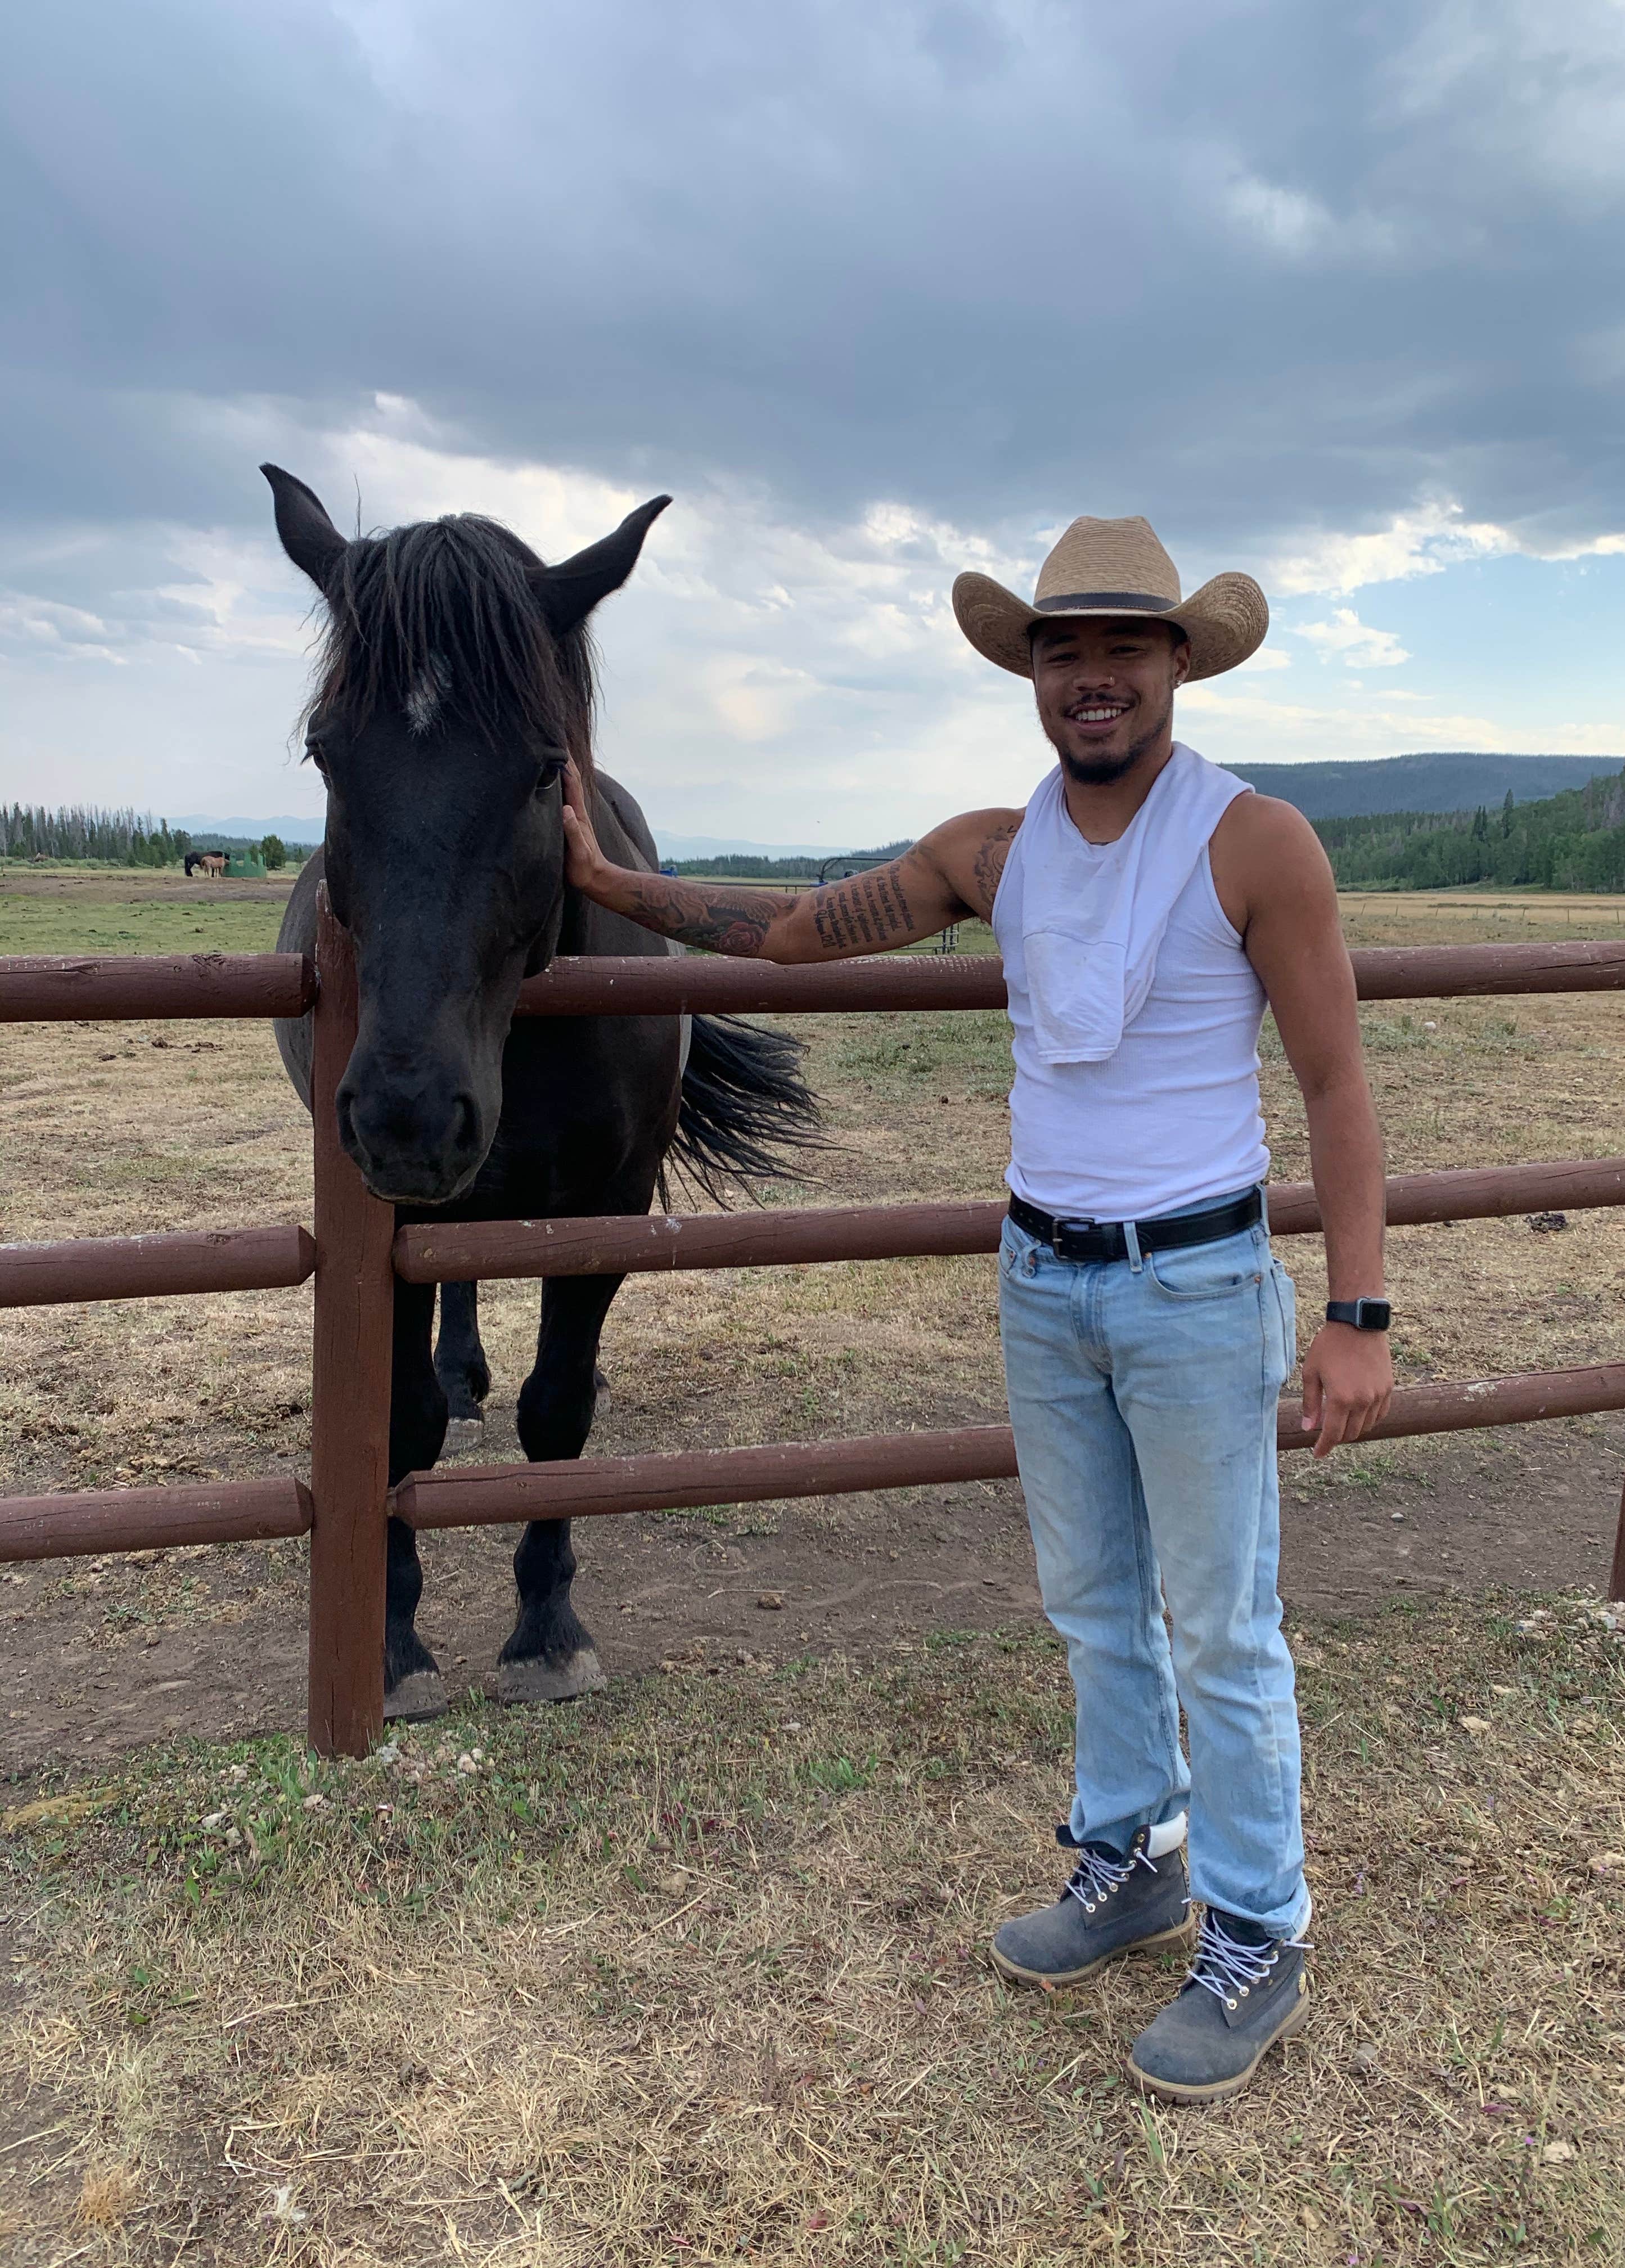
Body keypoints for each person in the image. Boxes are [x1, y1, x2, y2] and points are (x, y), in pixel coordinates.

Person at [560, 514, 1393, 2103]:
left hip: (1200, 1282)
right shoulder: (986, 854)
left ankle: (1260, 1929)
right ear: (1030, 671)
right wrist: (605, 879)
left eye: (1122, 649)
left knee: (1222, 1623)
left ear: (1176, 665)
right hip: (1045, 1277)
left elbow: (1340, 1080)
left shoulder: (1253, 842)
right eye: (1061, 649)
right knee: (1094, 1602)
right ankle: (1132, 1855)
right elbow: (794, 934)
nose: (1092, 678)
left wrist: (1359, 1306)